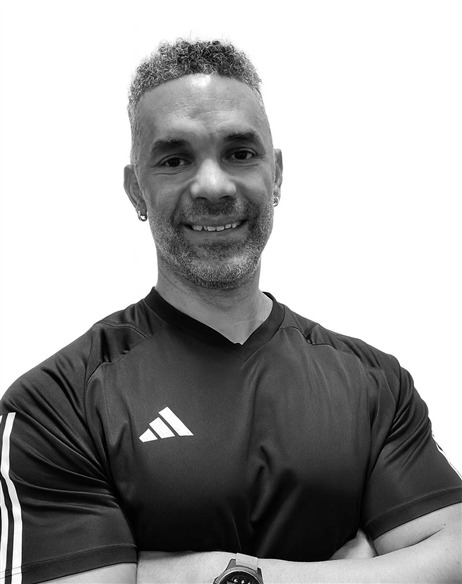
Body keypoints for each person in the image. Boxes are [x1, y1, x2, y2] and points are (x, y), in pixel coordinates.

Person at [0, 39, 460, 584]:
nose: (213, 185)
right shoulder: (56, 405)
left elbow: (453, 557)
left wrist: (218, 574)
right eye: (175, 159)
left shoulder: (373, 383)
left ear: (277, 175)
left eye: (240, 153)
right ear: (136, 191)